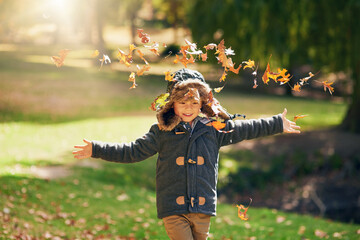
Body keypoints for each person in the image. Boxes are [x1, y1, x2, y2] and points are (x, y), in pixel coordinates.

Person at [73, 68, 300, 240]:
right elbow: (132, 151)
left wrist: (277, 123)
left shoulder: (215, 129)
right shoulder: (161, 132)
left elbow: (247, 128)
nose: (188, 107)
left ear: (203, 102)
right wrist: (96, 148)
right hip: (174, 208)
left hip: (202, 209)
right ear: (172, 104)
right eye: (182, 102)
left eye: (193, 101)